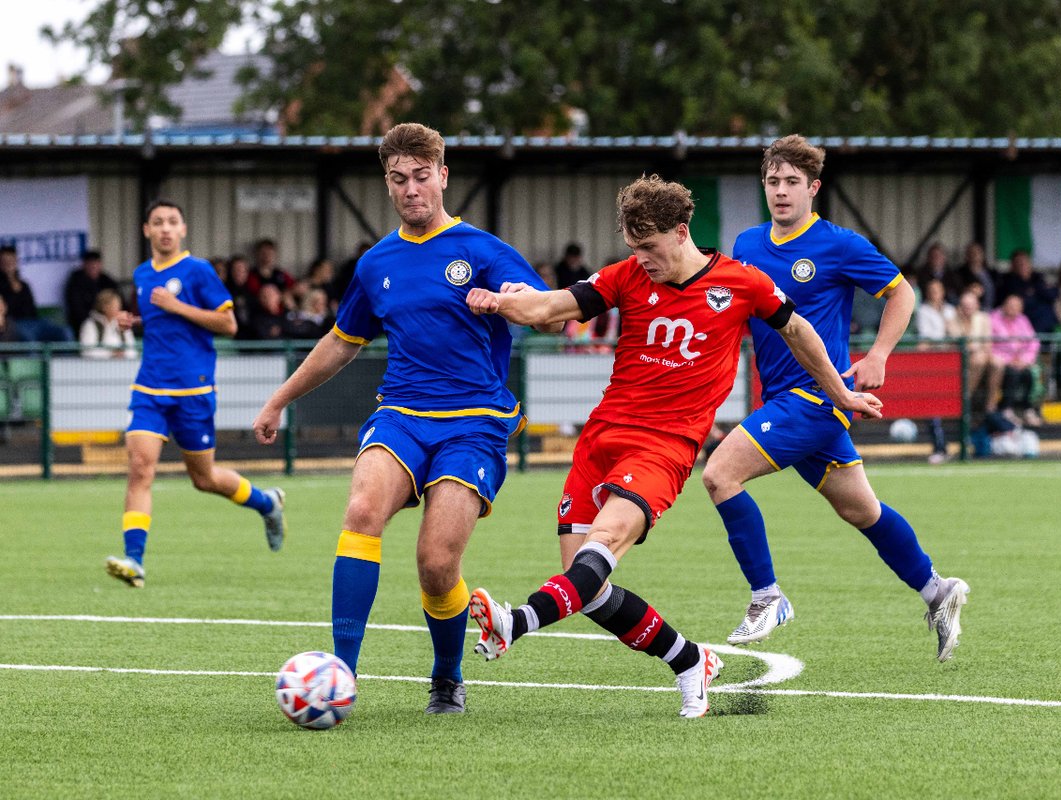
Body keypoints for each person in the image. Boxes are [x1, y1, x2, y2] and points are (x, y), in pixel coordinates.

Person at [464, 175, 883, 717]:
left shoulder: (741, 283)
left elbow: (799, 331)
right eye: (634, 248)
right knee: (585, 588)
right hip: (602, 438)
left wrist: (841, 393)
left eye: (650, 248)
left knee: (604, 545)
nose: (642, 259)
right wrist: (499, 302)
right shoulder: (625, 276)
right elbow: (548, 310)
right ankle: (690, 661)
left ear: (681, 232)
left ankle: (513, 622)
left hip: (665, 446)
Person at [251, 123, 557, 715]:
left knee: (437, 564)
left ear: (443, 176)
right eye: (399, 180)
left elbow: (549, 313)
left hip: (474, 423)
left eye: (422, 176)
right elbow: (342, 342)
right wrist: (279, 399)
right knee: (362, 511)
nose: (412, 189)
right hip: (401, 414)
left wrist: (503, 300)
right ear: (387, 185)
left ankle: (447, 675)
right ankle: (341, 674)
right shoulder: (375, 263)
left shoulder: (483, 251)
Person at [699, 135, 970, 662]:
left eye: (792, 183)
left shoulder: (839, 244)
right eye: (773, 182)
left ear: (813, 188)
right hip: (777, 398)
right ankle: (937, 591)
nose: (781, 192)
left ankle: (767, 597)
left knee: (718, 474)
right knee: (861, 509)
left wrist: (879, 356)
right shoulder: (748, 244)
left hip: (818, 398)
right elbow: (737, 319)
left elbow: (902, 292)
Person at [104, 200, 286, 589]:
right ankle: (134, 561)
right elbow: (159, 323)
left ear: (183, 229)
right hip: (149, 389)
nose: (166, 228)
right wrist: (131, 323)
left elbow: (229, 323)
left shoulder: (199, 272)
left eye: (172, 222)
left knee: (203, 479)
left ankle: (267, 503)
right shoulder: (141, 274)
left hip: (194, 391)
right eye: (158, 222)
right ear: (146, 230)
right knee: (140, 468)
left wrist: (178, 305)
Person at [914, 278, 962, 464]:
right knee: (933, 405)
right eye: (931, 290)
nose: (935, 293)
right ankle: (940, 447)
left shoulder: (950, 310)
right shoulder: (923, 311)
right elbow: (927, 339)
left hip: (950, 362)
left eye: (938, 290)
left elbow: (957, 336)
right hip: (933, 363)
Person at [988, 294, 1042, 427]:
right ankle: (1006, 409)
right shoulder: (992, 319)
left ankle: (1027, 409)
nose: (1013, 308)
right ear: (1004, 305)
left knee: (1029, 374)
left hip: (1021, 361)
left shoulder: (1023, 320)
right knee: (1013, 374)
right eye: (1010, 305)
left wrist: (1025, 360)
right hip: (1001, 361)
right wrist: (1008, 360)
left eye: (1017, 306)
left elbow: (1034, 342)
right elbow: (988, 344)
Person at [0, 245, 73, 342]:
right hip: (15, 324)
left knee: (65, 332)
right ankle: (33, 358)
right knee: (29, 337)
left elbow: (31, 309)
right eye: (5, 261)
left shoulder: (24, 285)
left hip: (35, 321)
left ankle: (67, 358)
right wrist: (8, 280)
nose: (9, 264)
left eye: (12, 260)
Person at [998, 249, 1057, 335]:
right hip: (1022, 318)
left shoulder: (1038, 277)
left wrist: (1036, 289)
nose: (1022, 265)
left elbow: (1052, 294)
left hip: (1044, 320)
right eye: (1018, 262)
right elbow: (1016, 301)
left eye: (1024, 262)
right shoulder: (1008, 281)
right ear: (1013, 265)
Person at [64, 249, 120, 336]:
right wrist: (95, 321)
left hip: (108, 322)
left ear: (100, 264)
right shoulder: (76, 281)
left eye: (96, 263)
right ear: (84, 265)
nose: (93, 266)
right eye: (90, 263)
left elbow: (119, 300)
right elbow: (76, 309)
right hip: (83, 323)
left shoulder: (107, 281)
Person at [79, 288, 136, 359]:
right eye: (113, 305)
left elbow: (133, 350)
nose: (117, 308)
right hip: (97, 368)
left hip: (121, 367)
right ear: (103, 307)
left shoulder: (123, 323)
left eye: (118, 305)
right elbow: (87, 351)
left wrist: (123, 354)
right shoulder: (90, 325)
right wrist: (110, 354)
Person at [955, 242, 997, 310]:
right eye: (972, 253)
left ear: (983, 255)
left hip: (992, 310)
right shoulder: (960, 273)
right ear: (967, 256)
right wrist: (969, 290)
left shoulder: (992, 272)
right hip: (973, 310)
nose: (975, 256)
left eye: (978, 253)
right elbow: (957, 291)